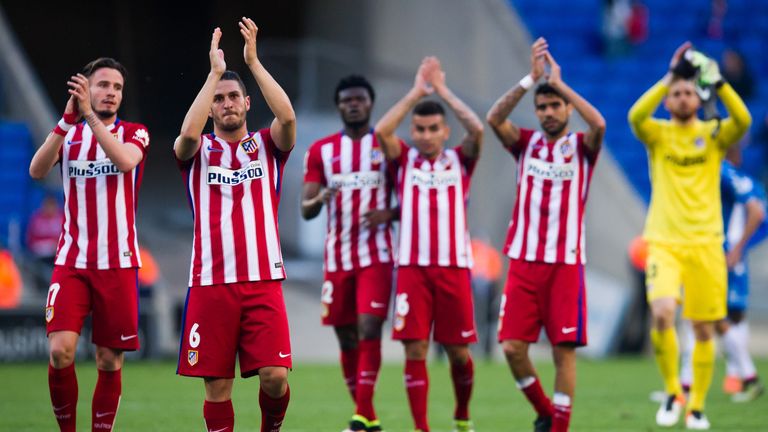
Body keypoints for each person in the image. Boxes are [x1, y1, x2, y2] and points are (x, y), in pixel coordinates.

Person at [174, 19, 296, 432]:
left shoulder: (266, 146)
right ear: (210, 106)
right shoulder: (198, 151)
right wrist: (212, 75)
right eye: (219, 98)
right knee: (217, 385)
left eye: (233, 97)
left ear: (247, 104)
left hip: (263, 280)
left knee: (275, 377)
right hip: (211, 283)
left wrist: (254, 64)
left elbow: (289, 118)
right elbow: (187, 135)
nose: (226, 103)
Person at [628, 41, 752, 429]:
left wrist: (718, 84)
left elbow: (744, 121)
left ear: (697, 99)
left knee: (702, 328)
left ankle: (696, 406)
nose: (681, 98)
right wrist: (668, 76)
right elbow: (635, 115)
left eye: (687, 92)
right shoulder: (658, 135)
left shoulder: (714, 135)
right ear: (668, 100)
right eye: (675, 93)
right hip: (664, 241)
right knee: (663, 312)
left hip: (707, 244)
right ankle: (672, 392)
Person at [487, 37, 606, 432]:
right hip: (523, 261)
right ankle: (543, 410)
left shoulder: (581, 147)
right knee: (511, 348)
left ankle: (558, 429)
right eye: (543, 106)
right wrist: (529, 80)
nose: (549, 112)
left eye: (555, 105)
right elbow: (493, 119)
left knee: (562, 353)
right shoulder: (525, 144)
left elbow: (600, 123)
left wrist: (560, 83)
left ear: (568, 108)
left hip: (565, 264)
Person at [28, 57, 150, 432]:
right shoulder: (70, 136)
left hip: (117, 263)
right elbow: (36, 170)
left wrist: (90, 118)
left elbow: (125, 162)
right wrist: (67, 120)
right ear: (85, 88)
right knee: (60, 350)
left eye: (117, 88)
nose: (110, 93)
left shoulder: (134, 132)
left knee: (109, 361)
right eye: (103, 85)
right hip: (73, 262)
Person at [375, 56, 483, 432]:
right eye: (418, 128)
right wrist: (416, 92)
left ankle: (462, 414)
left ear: (445, 131)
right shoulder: (403, 161)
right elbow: (383, 132)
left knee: (458, 353)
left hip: (453, 268)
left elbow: (478, 130)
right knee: (415, 349)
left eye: (432, 128)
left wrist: (443, 92)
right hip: (412, 271)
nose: (424, 135)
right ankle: (422, 428)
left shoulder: (459, 161)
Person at [301, 75, 396, 432]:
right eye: (346, 100)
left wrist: (392, 213)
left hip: (377, 254)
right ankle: (368, 418)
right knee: (345, 334)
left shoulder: (388, 146)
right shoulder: (321, 151)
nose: (353, 104)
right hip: (338, 257)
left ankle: (360, 417)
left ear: (370, 104)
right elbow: (305, 208)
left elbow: (412, 198)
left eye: (359, 99)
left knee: (369, 326)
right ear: (338, 106)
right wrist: (318, 198)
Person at [680, 146, 767, 402]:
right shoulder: (721, 174)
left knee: (709, 317)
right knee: (714, 318)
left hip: (718, 254)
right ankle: (744, 378)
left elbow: (758, 212)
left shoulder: (722, 172)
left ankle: (691, 387)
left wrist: (739, 247)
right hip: (711, 253)